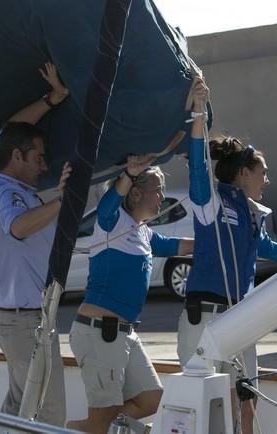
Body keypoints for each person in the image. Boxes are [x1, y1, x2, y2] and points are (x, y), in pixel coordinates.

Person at [178, 78, 277, 434]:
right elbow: (197, 168)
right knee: (209, 400)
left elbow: (261, 248)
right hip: (205, 319)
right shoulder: (211, 203)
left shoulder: (251, 212)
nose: (268, 181)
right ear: (244, 173)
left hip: (239, 316)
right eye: (264, 173)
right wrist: (198, 115)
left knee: (247, 393)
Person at [0, 62, 71, 426]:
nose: (44, 166)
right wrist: (63, 201)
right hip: (25, 321)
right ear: (17, 157)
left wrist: (52, 99)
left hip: (12, 317)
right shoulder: (4, 193)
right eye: (38, 158)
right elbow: (20, 227)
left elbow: (9, 130)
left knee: (19, 402)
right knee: (50, 412)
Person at [67, 156, 194, 434]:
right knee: (102, 420)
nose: (163, 197)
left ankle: (84, 428)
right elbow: (108, 204)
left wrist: (213, 242)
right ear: (136, 193)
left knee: (152, 399)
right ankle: (90, 427)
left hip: (124, 333)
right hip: (101, 333)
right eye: (158, 190)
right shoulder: (112, 222)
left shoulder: (143, 233)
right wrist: (128, 173)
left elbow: (176, 245)